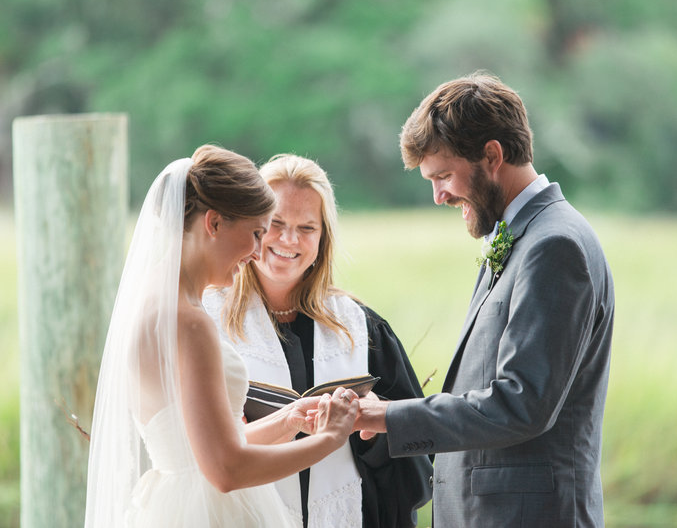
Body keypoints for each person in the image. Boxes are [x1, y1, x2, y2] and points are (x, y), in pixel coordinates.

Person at [356, 72, 615, 527]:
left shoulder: (555, 246)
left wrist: (388, 417)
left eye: (444, 176)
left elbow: (520, 403)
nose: (438, 196)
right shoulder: (525, 235)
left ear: (492, 155)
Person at [84, 144, 360, 528]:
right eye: (256, 232)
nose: (257, 251)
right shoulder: (191, 322)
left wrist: (288, 421)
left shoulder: (153, 297)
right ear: (213, 224)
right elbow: (225, 469)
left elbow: (199, 447)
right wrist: (328, 439)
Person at [203, 153, 433, 528]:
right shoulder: (207, 322)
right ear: (251, 225)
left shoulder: (362, 328)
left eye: (307, 227)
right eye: (275, 223)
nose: (289, 240)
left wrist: (373, 434)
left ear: (324, 236)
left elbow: (417, 458)